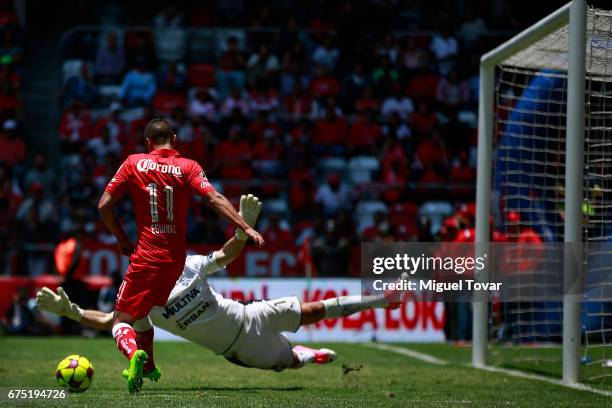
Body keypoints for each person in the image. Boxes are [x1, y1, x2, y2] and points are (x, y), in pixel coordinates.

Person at [38, 195, 401, 373]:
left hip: (250, 315)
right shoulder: (141, 298)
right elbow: (109, 322)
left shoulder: (188, 264)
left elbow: (225, 256)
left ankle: (380, 299)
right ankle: (303, 354)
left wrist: (242, 228)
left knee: (312, 311)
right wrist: (71, 312)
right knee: (288, 363)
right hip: (236, 349)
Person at [97, 118, 264, 393]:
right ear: (174, 139)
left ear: (148, 142)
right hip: (175, 260)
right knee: (143, 313)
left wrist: (122, 240)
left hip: (146, 255)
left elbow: (104, 205)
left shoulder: (133, 162)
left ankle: (133, 355)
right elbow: (214, 199)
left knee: (120, 321)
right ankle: (148, 365)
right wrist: (245, 226)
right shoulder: (188, 166)